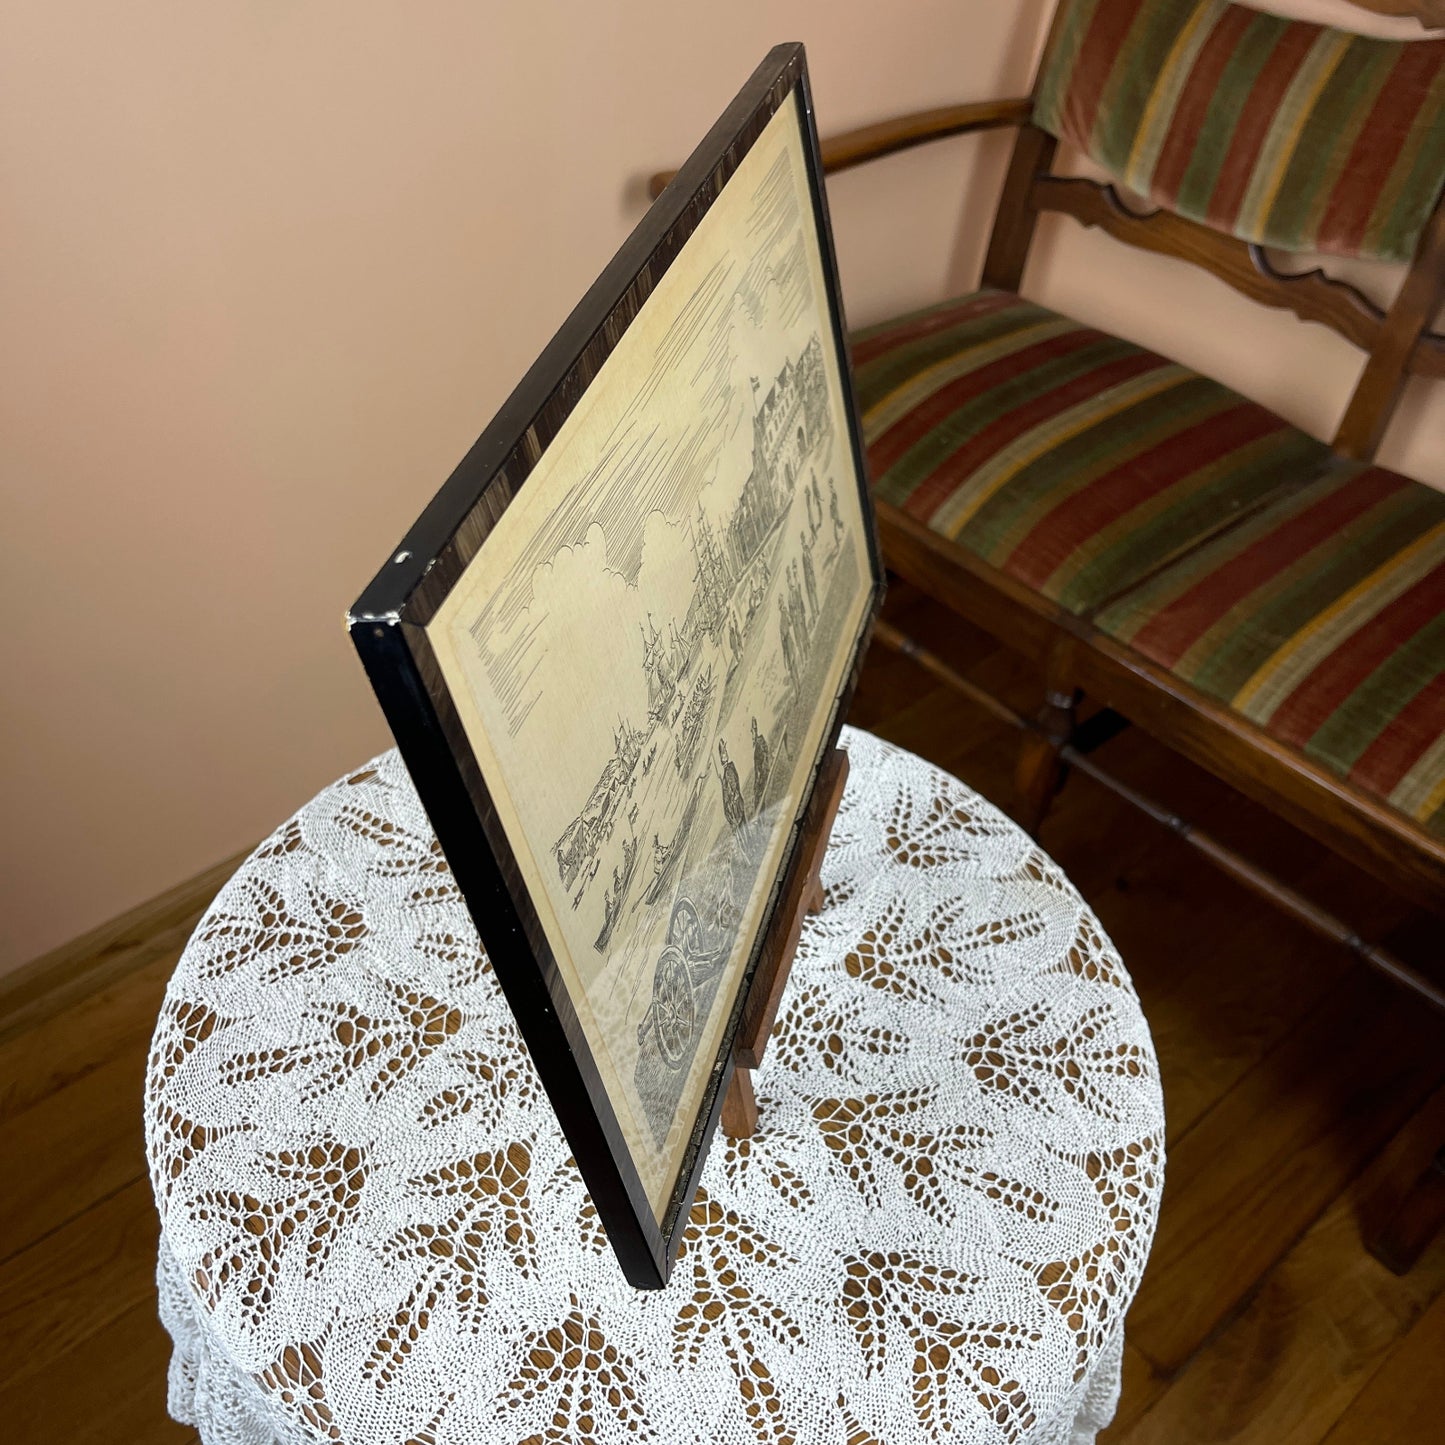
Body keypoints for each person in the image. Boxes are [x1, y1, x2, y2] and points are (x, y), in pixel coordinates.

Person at [715, 739, 746, 835]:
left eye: (725, 752)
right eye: (723, 752)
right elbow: (727, 794)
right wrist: (722, 782)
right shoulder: (727, 772)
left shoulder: (730, 769)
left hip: (736, 808)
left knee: (743, 829)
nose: (725, 754)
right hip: (734, 809)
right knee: (742, 832)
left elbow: (735, 789)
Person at [750, 716, 770, 813]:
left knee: (758, 802)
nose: (752, 735)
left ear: (755, 730)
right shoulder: (759, 743)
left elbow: (763, 763)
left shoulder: (759, 744)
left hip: (763, 777)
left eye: (752, 731)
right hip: (761, 777)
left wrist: (758, 782)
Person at [800, 535, 818, 617]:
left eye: (805, 545)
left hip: (812, 575)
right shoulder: (803, 556)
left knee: (815, 593)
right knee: (811, 595)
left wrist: (812, 572)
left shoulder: (808, 553)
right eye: (803, 545)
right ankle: (814, 611)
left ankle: (817, 608)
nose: (804, 546)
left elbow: (811, 563)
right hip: (808, 577)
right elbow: (805, 569)